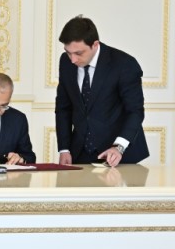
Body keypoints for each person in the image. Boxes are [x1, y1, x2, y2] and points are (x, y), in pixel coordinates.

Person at [55, 16, 148, 166]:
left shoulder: (124, 64)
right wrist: (64, 149)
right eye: (68, 52)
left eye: (78, 53)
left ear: (95, 44)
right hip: (79, 153)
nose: (73, 59)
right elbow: (63, 108)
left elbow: (135, 111)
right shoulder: (65, 62)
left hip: (120, 154)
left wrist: (119, 147)